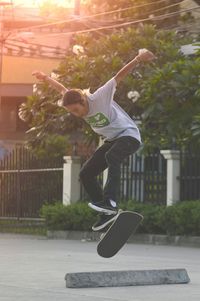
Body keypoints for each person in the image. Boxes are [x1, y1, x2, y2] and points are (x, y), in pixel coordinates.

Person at [32, 48, 155, 231]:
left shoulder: (100, 96)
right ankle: (105, 212)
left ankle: (111, 202)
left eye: (75, 110)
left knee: (112, 157)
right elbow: (62, 89)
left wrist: (138, 58)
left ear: (83, 101)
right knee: (85, 173)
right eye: (71, 112)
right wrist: (45, 78)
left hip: (129, 136)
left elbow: (118, 76)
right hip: (113, 139)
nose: (75, 114)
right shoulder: (75, 99)